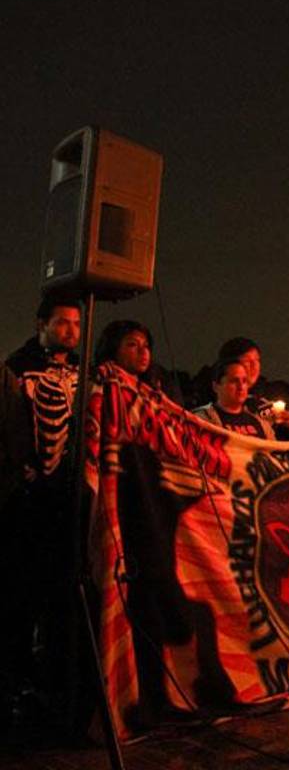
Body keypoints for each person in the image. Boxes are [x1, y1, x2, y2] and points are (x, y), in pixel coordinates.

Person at [2, 294, 82, 731]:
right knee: (21, 592)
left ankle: (54, 681)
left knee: (62, 593)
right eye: (62, 322)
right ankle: (15, 682)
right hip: (29, 500)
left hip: (71, 499)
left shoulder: (84, 370)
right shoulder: (18, 368)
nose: (71, 331)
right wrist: (23, 469)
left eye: (76, 323)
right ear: (42, 324)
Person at [218, 337, 289, 435]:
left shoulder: (273, 394)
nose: (254, 366)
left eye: (257, 360)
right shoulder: (218, 403)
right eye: (247, 361)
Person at [193, 357, 275, 439]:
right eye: (234, 381)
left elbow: (273, 446)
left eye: (244, 381)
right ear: (216, 386)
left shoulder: (260, 423)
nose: (241, 387)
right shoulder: (201, 421)